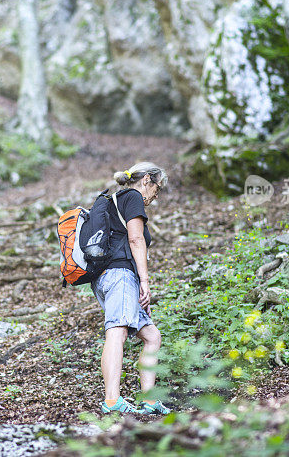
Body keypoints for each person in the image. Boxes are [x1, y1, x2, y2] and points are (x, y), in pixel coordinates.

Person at [92, 162, 171, 414]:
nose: (156, 196)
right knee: (117, 330)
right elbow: (136, 239)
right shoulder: (134, 196)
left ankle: (148, 401)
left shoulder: (113, 197)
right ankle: (112, 400)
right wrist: (145, 281)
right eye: (157, 189)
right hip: (120, 275)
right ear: (147, 179)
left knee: (152, 336)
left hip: (108, 276)